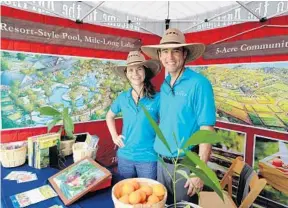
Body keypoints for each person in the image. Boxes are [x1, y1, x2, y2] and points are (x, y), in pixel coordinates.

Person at [141, 28, 216, 204]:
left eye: (175, 50)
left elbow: (207, 129)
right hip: (161, 162)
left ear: (184, 53)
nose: (170, 56)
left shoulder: (200, 84)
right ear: (159, 55)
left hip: (185, 165)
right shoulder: (166, 84)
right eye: (165, 51)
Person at [106, 51, 162, 180]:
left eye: (139, 69)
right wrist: (114, 136)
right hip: (125, 155)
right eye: (130, 70)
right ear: (126, 74)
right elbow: (109, 116)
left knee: (148, 195)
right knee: (126, 194)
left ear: (145, 71)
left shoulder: (158, 98)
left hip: (149, 157)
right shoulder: (122, 97)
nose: (135, 74)